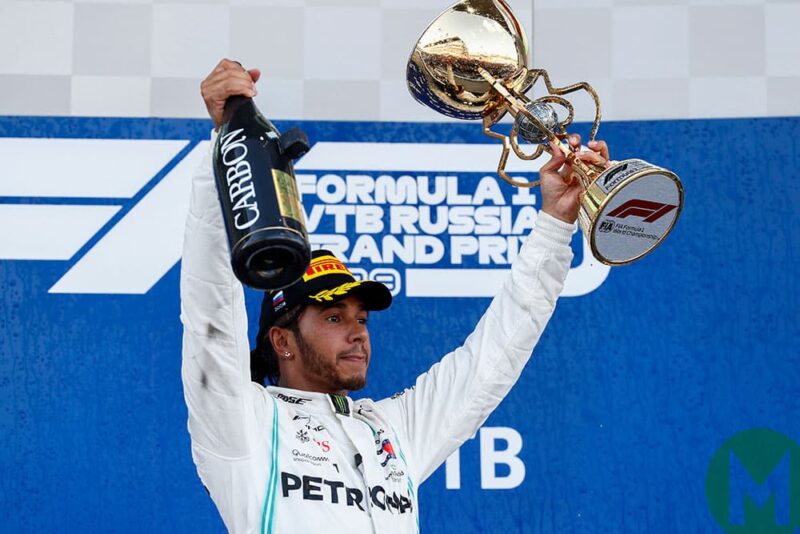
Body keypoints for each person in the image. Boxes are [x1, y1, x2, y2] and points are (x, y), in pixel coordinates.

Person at [181, 58, 611, 533]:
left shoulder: (392, 429)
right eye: (333, 318)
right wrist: (229, 145)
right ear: (282, 341)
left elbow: (494, 357)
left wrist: (555, 223)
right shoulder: (245, 425)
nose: (357, 334)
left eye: (361, 318)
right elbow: (210, 314)